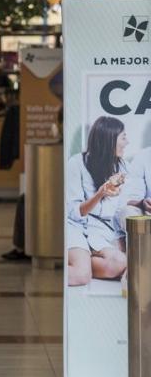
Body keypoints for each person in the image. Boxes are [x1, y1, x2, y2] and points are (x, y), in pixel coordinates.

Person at [65, 116, 129, 286]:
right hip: (76, 227)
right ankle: (73, 265)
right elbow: (75, 212)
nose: (127, 142)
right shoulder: (76, 163)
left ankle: (84, 261)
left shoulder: (122, 167)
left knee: (121, 262)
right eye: (123, 137)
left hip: (101, 231)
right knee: (81, 276)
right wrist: (100, 194)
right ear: (109, 139)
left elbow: (123, 208)